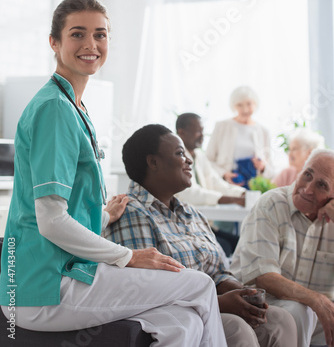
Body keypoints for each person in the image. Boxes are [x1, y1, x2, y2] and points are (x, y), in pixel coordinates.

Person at [0, 0, 226, 347]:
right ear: (54, 43)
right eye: (77, 34)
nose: (91, 44)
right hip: (43, 286)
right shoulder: (54, 109)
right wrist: (130, 257)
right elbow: (49, 220)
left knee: (181, 323)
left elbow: (63, 213)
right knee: (199, 285)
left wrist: (103, 216)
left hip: (53, 277)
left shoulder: (75, 107)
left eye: (100, 34)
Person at [104, 124, 298, 347]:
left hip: (210, 306)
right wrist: (217, 303)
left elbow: (217, 273)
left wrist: (243, 293)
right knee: (237, 330)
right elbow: (147, 290)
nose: (189, 160)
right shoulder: (130, 212)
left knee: (280, 320)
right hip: (174, 315)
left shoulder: (191, 213)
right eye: (180, 153)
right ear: (153, 162)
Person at [229, 149, 334, 347]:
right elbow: (265, 276)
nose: (308, 189)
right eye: (307, 175)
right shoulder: (270, 204)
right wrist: (316, 300)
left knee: (305, 311)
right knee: (299, 310)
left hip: (310, 316)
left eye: (321, 185)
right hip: (258, 308)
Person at [175, 112, 245, 256]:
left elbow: (216, 183)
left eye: (203, 131)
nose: (202, 136)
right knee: (224, 247)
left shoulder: (199, 155)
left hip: (204, 225)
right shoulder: (175, 158)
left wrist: (242, 194)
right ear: (181, 133)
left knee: (240, 243)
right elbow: (190, 193)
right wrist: (231, 200)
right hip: (185, 227)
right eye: (197, 131)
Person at [206, 86, 273, 188]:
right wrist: (224, 174)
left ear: (255, 103)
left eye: (249, 104)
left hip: (253, 186)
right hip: (226, 185)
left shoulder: (264, 131)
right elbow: (207, 160)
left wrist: (263, 167)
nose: (245, 109)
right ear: (233, 106)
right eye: (240, 105)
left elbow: (271, 168)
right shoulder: (221, 126)